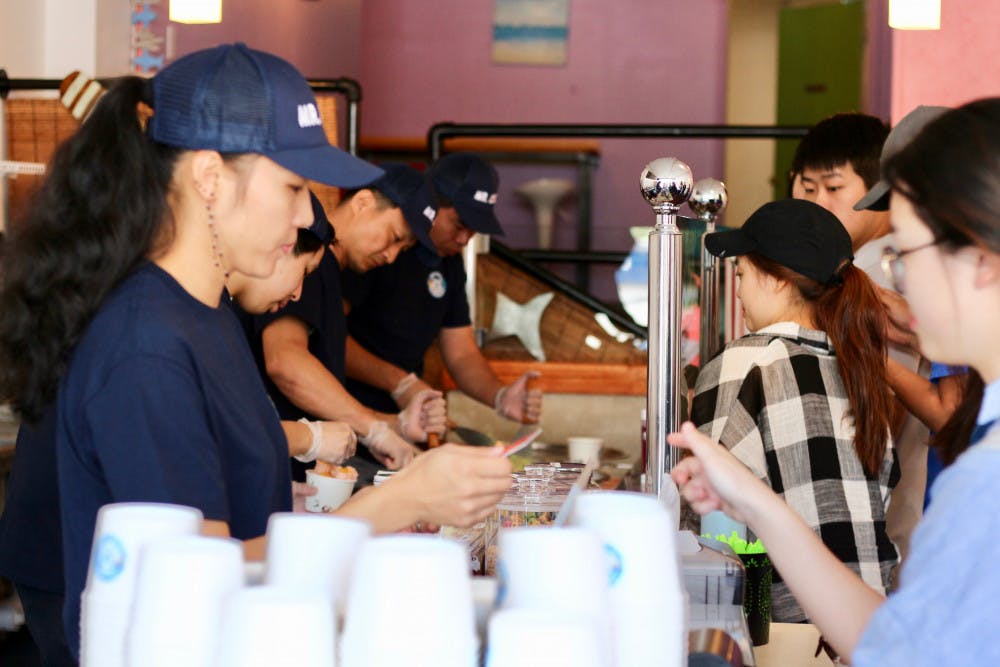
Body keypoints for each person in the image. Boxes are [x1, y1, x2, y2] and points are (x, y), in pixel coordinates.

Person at [0, 44, 511, 662]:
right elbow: (199, 583)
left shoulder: (209, 315)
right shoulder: (145, 343)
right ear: (209, 178)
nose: (302, 216)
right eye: (292, 187)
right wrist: (400, 500)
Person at [672, 98, 1000, 665]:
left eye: (904, 252)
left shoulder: (984, 484)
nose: (896, 280)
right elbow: (888, 640)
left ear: (981, 259)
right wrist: (755, 502)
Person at [690, 198, 898, 622]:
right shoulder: (857, 367)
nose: (739, 291)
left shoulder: (743, 362)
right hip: (873, 623)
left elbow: (712, 530)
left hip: (787, 630)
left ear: (776, 280)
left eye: (742, 274)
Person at [790, 111, 930, 564]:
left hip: (891, 526)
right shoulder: (858, 269)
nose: (817, 202)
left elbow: (883, 420)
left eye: (834, 188)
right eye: (806, 187)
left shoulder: (874, 274)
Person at [254, 164, 448, 484]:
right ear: (362, 203)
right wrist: (374, 431)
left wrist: (395, 425)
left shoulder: (333, 277)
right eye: (394, 237)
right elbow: (285, 361)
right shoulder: (310, 264)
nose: (391, 256)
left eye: (403, 249)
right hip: (271, 470)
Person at [342, 152, 543, 445]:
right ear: (432, 203)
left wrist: (499, 396)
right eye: (459, 225)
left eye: (473, 230)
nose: (464, 240)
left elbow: (461, 353)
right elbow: (329, 336)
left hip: (407, 423)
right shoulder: (379, 247)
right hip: (349, 415)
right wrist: (399, 382)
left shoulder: (449, 263)